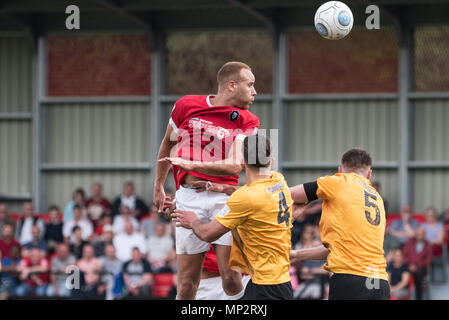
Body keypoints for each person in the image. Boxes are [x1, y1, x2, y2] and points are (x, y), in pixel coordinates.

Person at [156, 61, 260, 300]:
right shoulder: (186, 105)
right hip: (188, 197)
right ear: (232, 85)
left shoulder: (249, 121)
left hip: (224, 201)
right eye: (250, 85)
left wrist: (193, 165)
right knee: (185, 286)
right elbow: (168, 144)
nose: (255, 92)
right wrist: (158, 185)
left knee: (232, 279)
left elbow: (235, 165)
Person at [173, 135, 294, 300]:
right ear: (271, 162)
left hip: (264, 287)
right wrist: (225, 188)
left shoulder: (244, 198)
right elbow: (256, 195)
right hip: (282, 281)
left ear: (242, 163)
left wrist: (193, 221)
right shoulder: (279, 181)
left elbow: (208, 234)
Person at [290, 148, 390, 300]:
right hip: (378, 282)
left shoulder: (338, 182)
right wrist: (297, 255)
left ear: (340, 170)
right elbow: (339, 248)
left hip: (350, 280)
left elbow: (288, 195)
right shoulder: (378, 199)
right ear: (369, 174)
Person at [402, 227, 433, 300]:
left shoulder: (428, 245)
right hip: (408, 265)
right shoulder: (409, 242)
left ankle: (418, 297)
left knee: (418, 276)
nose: (420, 236)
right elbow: (405, 255)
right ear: (416, 234)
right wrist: (410, 265)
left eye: (422, 234)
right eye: (418, 234)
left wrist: (416, 266)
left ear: (424, 235)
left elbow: (428, 260)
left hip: (421, 268)